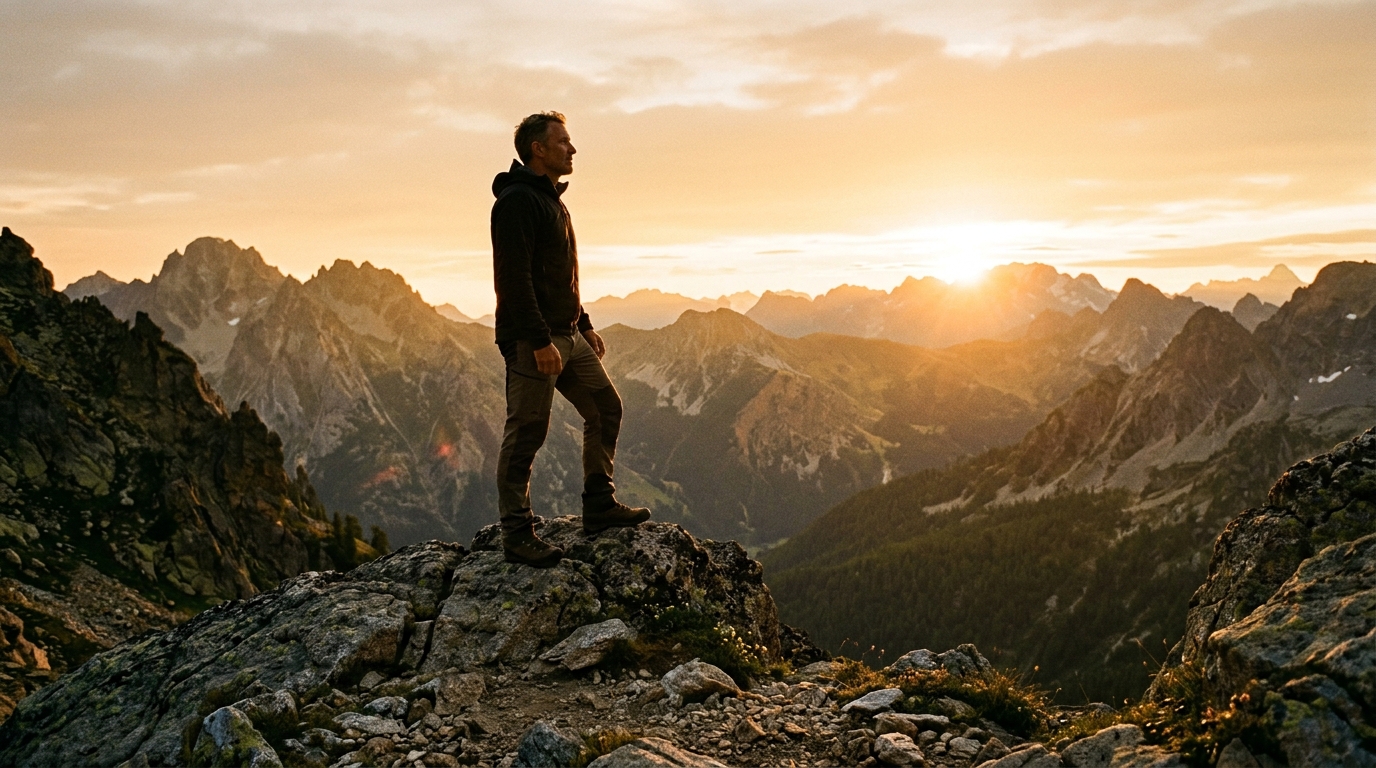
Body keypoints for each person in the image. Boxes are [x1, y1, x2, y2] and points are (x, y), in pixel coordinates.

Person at [490, 111, 651, 567]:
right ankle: (517, 534)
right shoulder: (518, 201)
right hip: (535, 340)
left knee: (605, 407)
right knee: (526, 432)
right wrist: (539, 340)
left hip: (567, 334)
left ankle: (599, 505)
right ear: (538, 149)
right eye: (562, 141)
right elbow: (514, 278)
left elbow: (561, 276)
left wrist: (584, 323)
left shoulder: (551, 200)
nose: (572, 148)